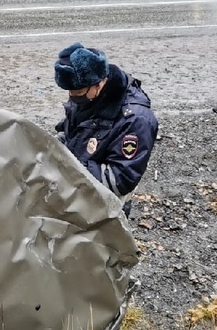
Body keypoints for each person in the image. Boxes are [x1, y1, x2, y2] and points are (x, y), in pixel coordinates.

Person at [53, 43, 159, 216]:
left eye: (78, 92)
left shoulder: (135, 120)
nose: (73, 96)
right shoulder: (87, 96)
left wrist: (69, 165)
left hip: (106, 206)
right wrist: (54, 145)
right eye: (70, 91)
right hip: (78, 188)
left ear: (99, 83)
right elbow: (72, 132)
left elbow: (120, 180)